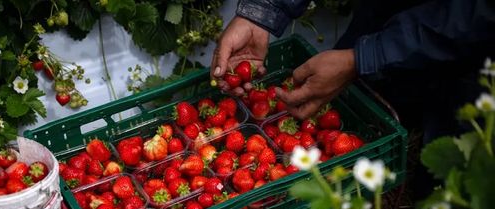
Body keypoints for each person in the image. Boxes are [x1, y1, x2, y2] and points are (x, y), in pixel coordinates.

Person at [212, 0, 495, 143]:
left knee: (455, 171)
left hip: (477, 51)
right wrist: (262, 10)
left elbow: (479, 13)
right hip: (390, 14)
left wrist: (363, 58)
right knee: (357, 114)